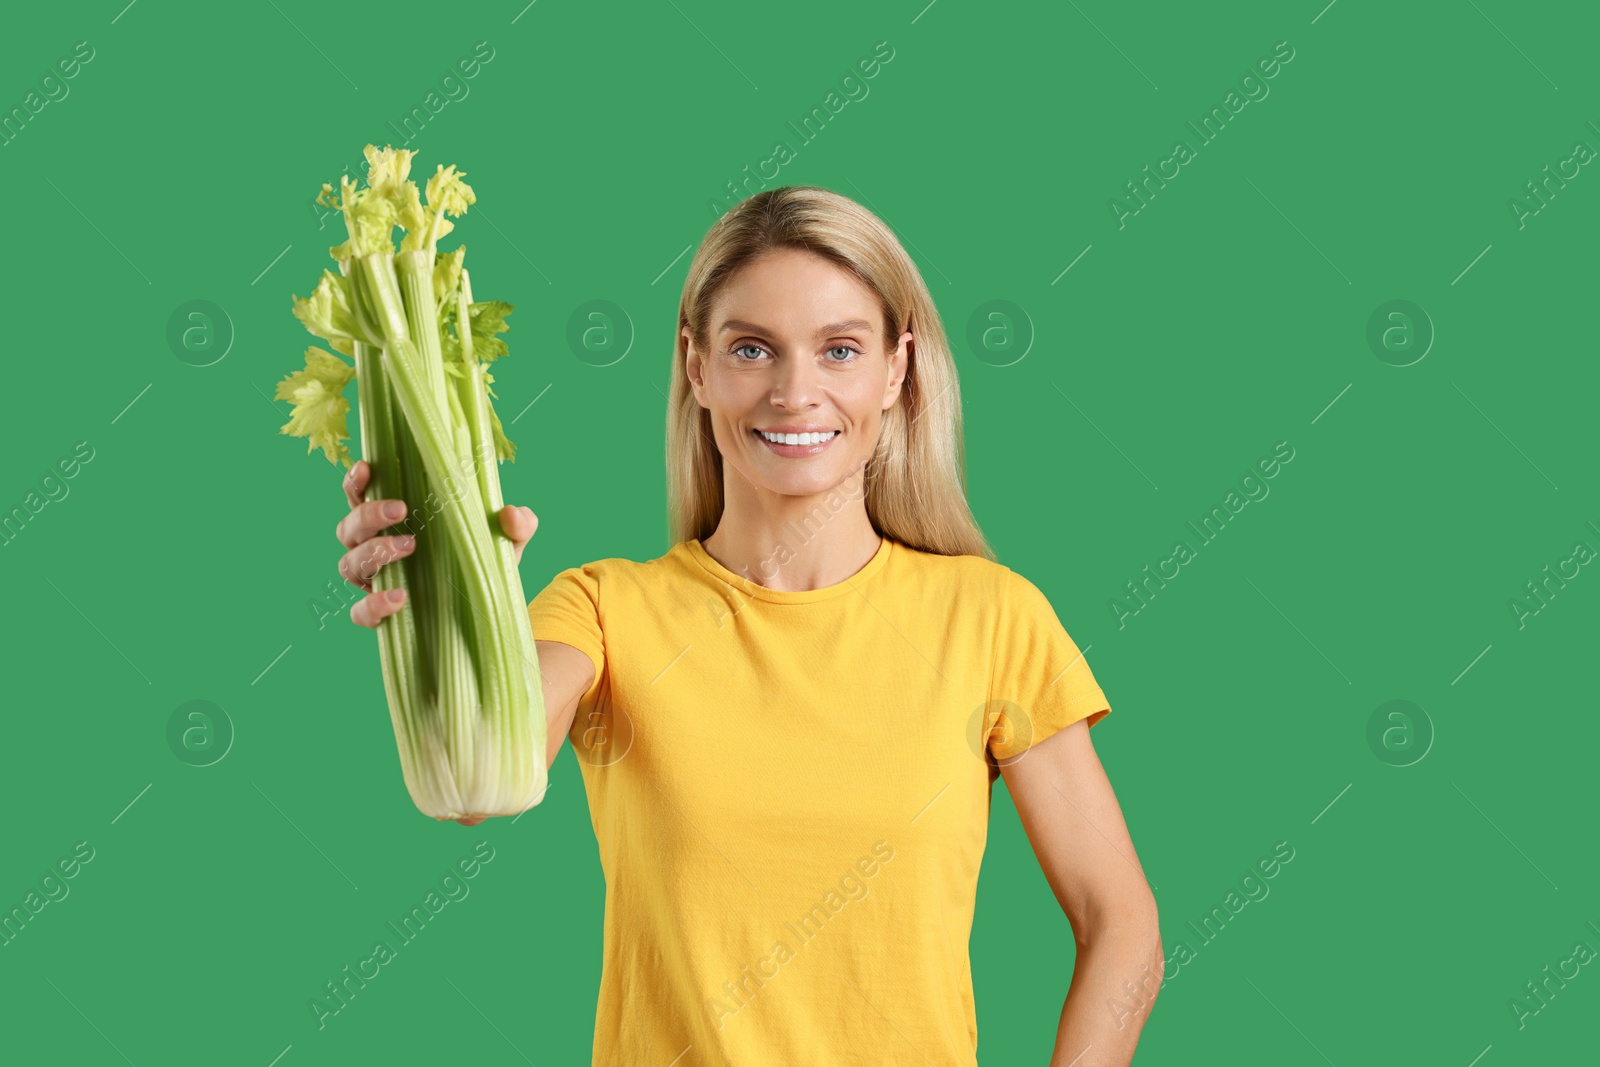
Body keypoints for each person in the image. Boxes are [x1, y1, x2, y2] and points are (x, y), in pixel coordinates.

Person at [332, 186, 1161, 1066]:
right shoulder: (606, 610)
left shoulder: (992, 619)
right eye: (751, 349)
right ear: (695, 366)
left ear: (896, 369)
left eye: (840, 349)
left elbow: (1123, 927)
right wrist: (440, 589)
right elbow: (480, 784)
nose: (795, 392)